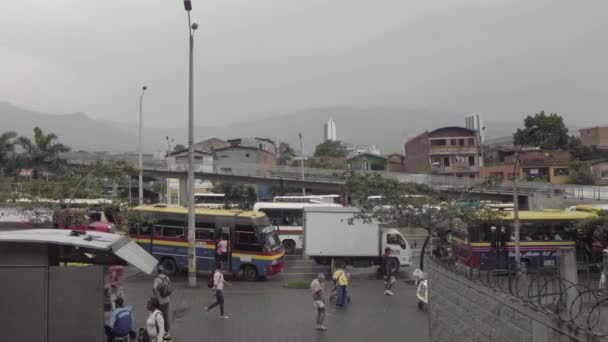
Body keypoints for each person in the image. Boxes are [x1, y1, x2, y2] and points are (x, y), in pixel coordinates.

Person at [152, 266, 172, 336]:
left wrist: (155, 293)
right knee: (166, 316)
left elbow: (154, 288)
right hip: (167, 300)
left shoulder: (157, 279)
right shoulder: (167, 278)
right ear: (163, 271)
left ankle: (160, 332)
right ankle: (167, 331)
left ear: (158, 271)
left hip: (160, 302)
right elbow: (170, 287)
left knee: (159, 317)